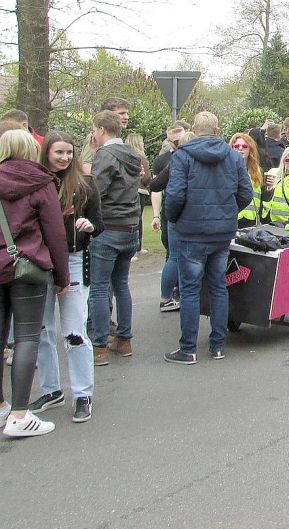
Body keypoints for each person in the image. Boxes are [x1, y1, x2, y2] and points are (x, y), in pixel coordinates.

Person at [163, 111, 253, 365]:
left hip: (191, 232)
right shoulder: (233, 158)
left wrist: (175, 218)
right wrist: (227, 212)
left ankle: (188, 348)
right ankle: (217, 346)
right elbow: (245, 193)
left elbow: (175, 195)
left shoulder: (182, 156)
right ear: (217, 130)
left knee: (190, 290)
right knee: (218, 287)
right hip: (221, 233)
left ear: (193, 128)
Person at [27, 131, 104, 423]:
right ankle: (51, 389)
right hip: (41, 263)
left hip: (73, 261)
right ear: (46, 151)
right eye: (59, 152)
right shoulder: (36, 184)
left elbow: (100, 223)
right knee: (43, 330)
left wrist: (89, 225)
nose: (64, 158)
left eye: (69, 153)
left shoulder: (85, 185)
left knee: (74, 330)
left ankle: (83, 393)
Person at [0, 130, 69, 437]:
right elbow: (55, 233)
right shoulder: (40, 183)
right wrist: (61, 276)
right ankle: (19, 413)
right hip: (29, 266)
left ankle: (2, 405)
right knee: (27, 338)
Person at [87, 110, 143, 366]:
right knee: (121, 285)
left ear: (100, 129)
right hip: (130, 226)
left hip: (108, 226)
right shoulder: (133, 153)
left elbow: (96, 192)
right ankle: (124, 339)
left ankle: (99, 346)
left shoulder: (105, 155)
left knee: (99, 287)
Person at [149, 129, 191, 313]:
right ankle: (180, 295)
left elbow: (155, 184)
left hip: (173, 211)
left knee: (174, 256)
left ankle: (167, 297)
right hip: (188, 213)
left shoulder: (174, 160)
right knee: (185, 257)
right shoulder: (199, 162)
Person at [229, 132, 271, 228]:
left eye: (244, 146)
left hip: (252, 220)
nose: (240, 149)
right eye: (236, 146)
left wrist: (269, 188)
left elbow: (263, 198)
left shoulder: (258, 171)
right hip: (232, 219)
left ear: (250, 150)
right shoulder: (226, 169)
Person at [124, 133, 152, 256]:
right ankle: (137, 247)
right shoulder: (140, 157)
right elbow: (147, 177)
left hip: (125, 191)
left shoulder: (123, 157)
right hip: (139, 190)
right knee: (137, 220)